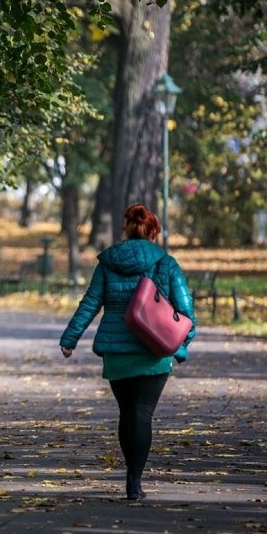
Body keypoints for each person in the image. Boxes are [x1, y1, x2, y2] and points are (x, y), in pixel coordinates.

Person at [59, 203, 196, 501]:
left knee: (127, 414)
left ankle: (130, 478)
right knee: (142, 415)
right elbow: (187, 313)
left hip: (117, 351)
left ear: (127, 229)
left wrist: (70, 339)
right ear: (153, 232)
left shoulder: (107, 263)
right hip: (154, 351)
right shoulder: (166, 263)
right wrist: (181, 347)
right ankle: (135, 481)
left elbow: (89, 304)